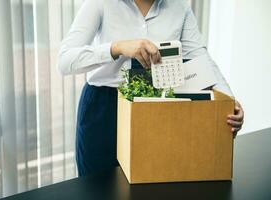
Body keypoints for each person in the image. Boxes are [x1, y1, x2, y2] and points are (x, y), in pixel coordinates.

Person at [58, 0, 244, 177]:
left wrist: (228, 100)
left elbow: (199, 57)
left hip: (157, 108)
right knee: (98, 188)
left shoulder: (180, 6)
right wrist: (118, 48)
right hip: (104, 108)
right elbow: (65, 60)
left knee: (150, 185)